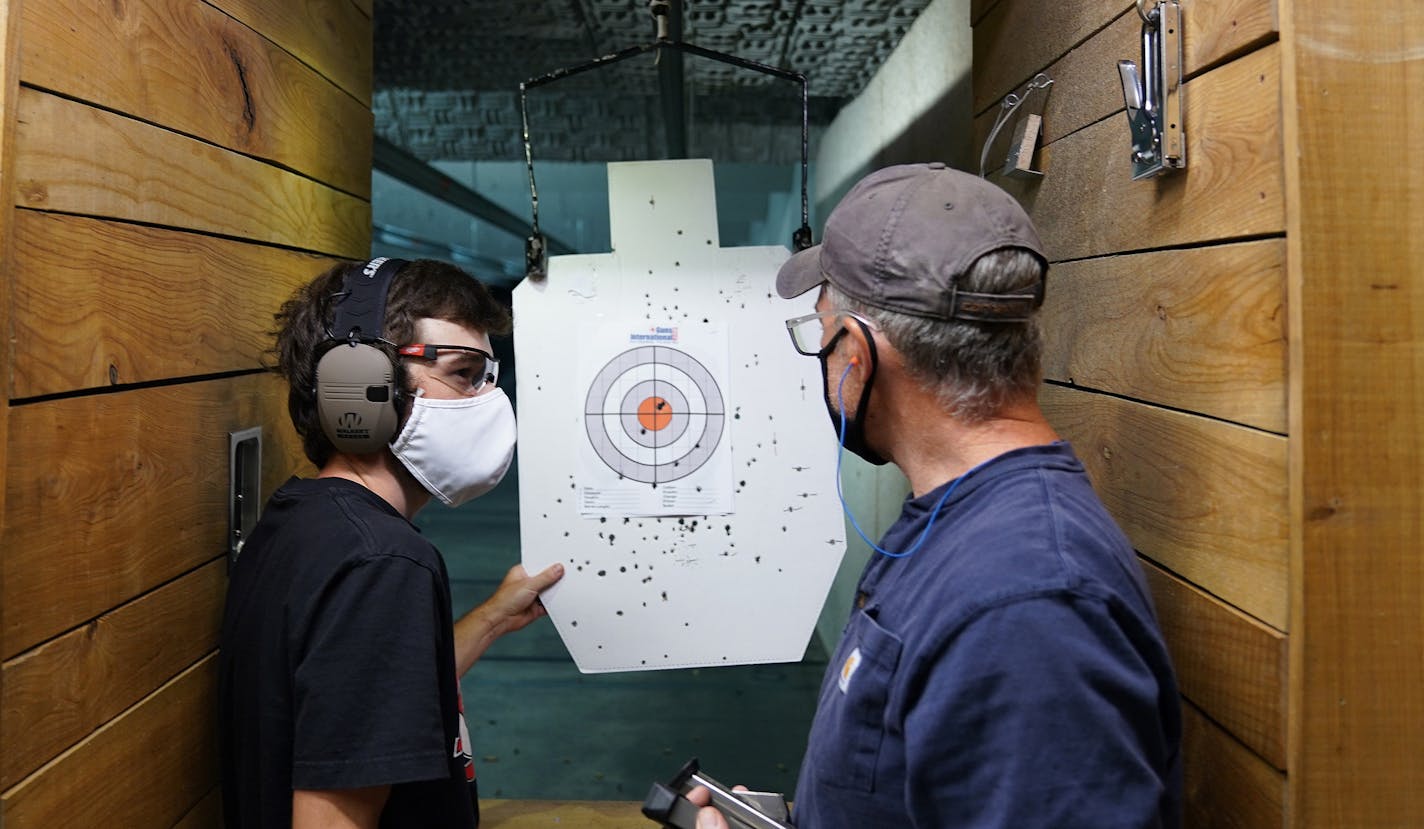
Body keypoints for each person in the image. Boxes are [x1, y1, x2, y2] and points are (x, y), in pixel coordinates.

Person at [691, 163, 1182, 828]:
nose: (822, 359)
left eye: (822, 334)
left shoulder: (1029, 605)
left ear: (858, 355)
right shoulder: (967, 527)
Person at [219, 258, 564, 829]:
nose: (487, 400)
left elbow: (371, 693)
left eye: (488, 375)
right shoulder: (381, 563)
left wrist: (492, 619)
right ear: (359, 386)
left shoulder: (304, 520)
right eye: (462, 372)